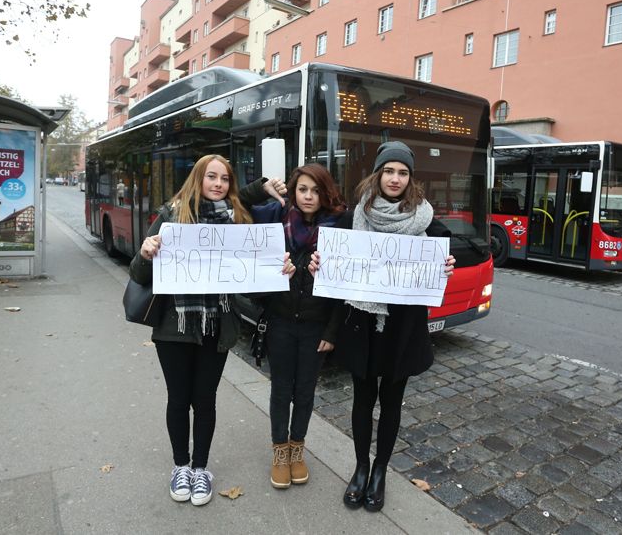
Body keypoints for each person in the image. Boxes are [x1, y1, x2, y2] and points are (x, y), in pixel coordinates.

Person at [129, 154, 292, 507]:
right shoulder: (171, 216)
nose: (218, 184)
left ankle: (201, 468)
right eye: (211, 177)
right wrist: (145, 252)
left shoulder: (236, 220)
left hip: (217, 325)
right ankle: (180, 466)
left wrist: (277, 269)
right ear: (198, 178)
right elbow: (138, 274)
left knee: (205, 401)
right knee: (178, 399)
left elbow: (253, 269)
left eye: (225, 178)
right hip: (174, 326)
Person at [310, 141, 455, 512]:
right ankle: (360, 467)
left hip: (403, 325)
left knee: (391, 402)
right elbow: (334, 260)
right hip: (362, 322)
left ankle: (380, 472)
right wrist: (320, 265)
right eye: (389, 170)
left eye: (403, 172)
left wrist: (446, 265)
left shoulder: (425, 219)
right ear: (377, 174)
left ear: (411, 179)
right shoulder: (355, 216)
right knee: (362, 399)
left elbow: (446, 255)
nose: (395, 178)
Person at [250, 163, 347, 489]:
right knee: (281, 390)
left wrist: (331, 332)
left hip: (316, 327)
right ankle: (280, 452)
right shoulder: (275, 223)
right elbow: (240, 208)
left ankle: (297, 449)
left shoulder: (338, 229)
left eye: (315, 191)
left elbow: (343, 291)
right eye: (302, 189)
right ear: (293, 191)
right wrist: (279, 276)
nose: (308, 196)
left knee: (305, 392)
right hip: (280, 322)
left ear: (325, 193)